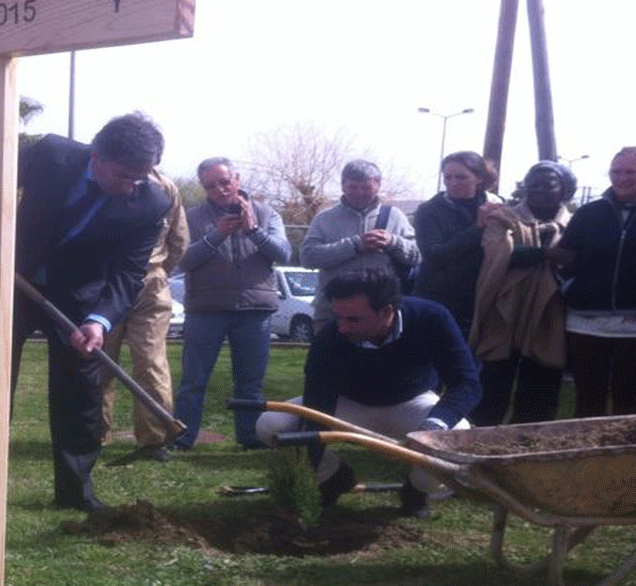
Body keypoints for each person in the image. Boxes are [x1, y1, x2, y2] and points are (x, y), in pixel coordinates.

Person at [0, 113, 171, 511]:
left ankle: (76, 491)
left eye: (139, 178)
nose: (131, 187)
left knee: (81, 390)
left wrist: (99, 320)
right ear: (97, 157)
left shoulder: (151, 202)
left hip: (79, 298)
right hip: (14, 278)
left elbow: (128, 273)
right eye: (123, 175)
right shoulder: (52, 155)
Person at [256, 270, 481, 518]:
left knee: (460, 435)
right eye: (337, 317)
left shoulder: (432, 318)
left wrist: (434, 425)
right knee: (271, 424)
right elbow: (318, 405)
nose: (341, 328)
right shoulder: (331, 338)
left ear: (386, 311)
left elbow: (466, 383)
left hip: (411, 402)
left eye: (353, 320)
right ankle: (334, 477)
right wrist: (310, 475)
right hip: (348, 405)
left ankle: (417, 491)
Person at [172, 157, 291, 450]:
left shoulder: (267, 213)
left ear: (236, 179)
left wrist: (253, 230)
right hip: (206, 310)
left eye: (225, 182)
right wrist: (217, 235)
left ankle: (250, 437)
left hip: (255, 311)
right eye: (211, 185)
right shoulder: (193, 216)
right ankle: (183, 437)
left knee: (250, 382)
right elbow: (182, 259)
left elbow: (284, 253)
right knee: (193, 381)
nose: (220, 189)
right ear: (204, 188)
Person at [552, 147, 636, 418]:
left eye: (631, 171)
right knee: (587, 401)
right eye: (615, 171)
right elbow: (564, 258)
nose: (621, 178)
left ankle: (622, 458)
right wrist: (571, 288)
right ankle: (584, 456)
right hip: (586, 325)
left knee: (631, 402)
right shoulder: (589, 213)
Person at [468, 161, 576, 426]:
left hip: (549, 314)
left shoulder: (574, 224)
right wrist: (547, 254)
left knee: (541, 381)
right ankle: (476, 437)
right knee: (492, 381)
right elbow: (498, 253)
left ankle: (527, 441)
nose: (539, 190)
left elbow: (578, 258)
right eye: (533, 184)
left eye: (548, 185)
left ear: (563, 189)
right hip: (504, 309)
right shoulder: (503, 218)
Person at [100, 170, 188, 462]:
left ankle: (153, 440)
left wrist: (158, 271)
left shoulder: (166, 188)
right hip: (106, 282)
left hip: (149, 284)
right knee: (98, 360)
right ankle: (94, 433)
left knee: (150, 362)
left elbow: (179, 240)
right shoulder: (107, 178)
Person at [300, 160, 419, 331]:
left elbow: (417, 255)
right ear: (342, 186)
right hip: (333, 311)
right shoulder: (325, 218)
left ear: (378, 186)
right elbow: (307, 257)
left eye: (366, 188)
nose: (359, 193)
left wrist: (393, 242)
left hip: (381, 313)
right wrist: (355, 245)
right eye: (353, 187)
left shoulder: (395, 217)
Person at [412, 151, 503, 336]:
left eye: (461, 177)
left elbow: (505, 252)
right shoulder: (429, 211)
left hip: (482, 300)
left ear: (479, 178)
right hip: (439, 300)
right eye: (448, 177)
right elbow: (434, 256)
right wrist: (477, 228)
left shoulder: (497, 207)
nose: (453, 183)